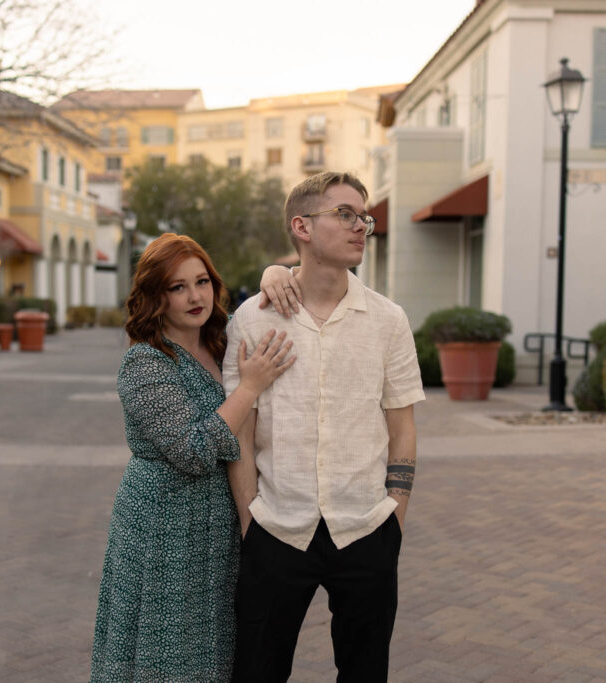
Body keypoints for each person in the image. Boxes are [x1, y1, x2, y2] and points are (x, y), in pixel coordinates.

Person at [224, 171, 425, 682]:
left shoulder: (388, 320)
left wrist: (393, 521)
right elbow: (240, 433)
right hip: (275, 528)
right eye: (345, 214)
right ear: (302, 226)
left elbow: (402, 427)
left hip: (366, 528)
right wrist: (251, 520)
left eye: (365, 217)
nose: (361, 226)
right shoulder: (253, 320)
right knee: (256, 674)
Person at [90, 233, 298, 682]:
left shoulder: (222, 342)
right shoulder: (145, 363)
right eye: (177, 286)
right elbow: (195, 450)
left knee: (213, 652)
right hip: (163, 528)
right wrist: (250, 386)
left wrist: (276, 271)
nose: (195, 296)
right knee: (166, 656)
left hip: (219, 525)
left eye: (201, 281)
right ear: (154, 296)